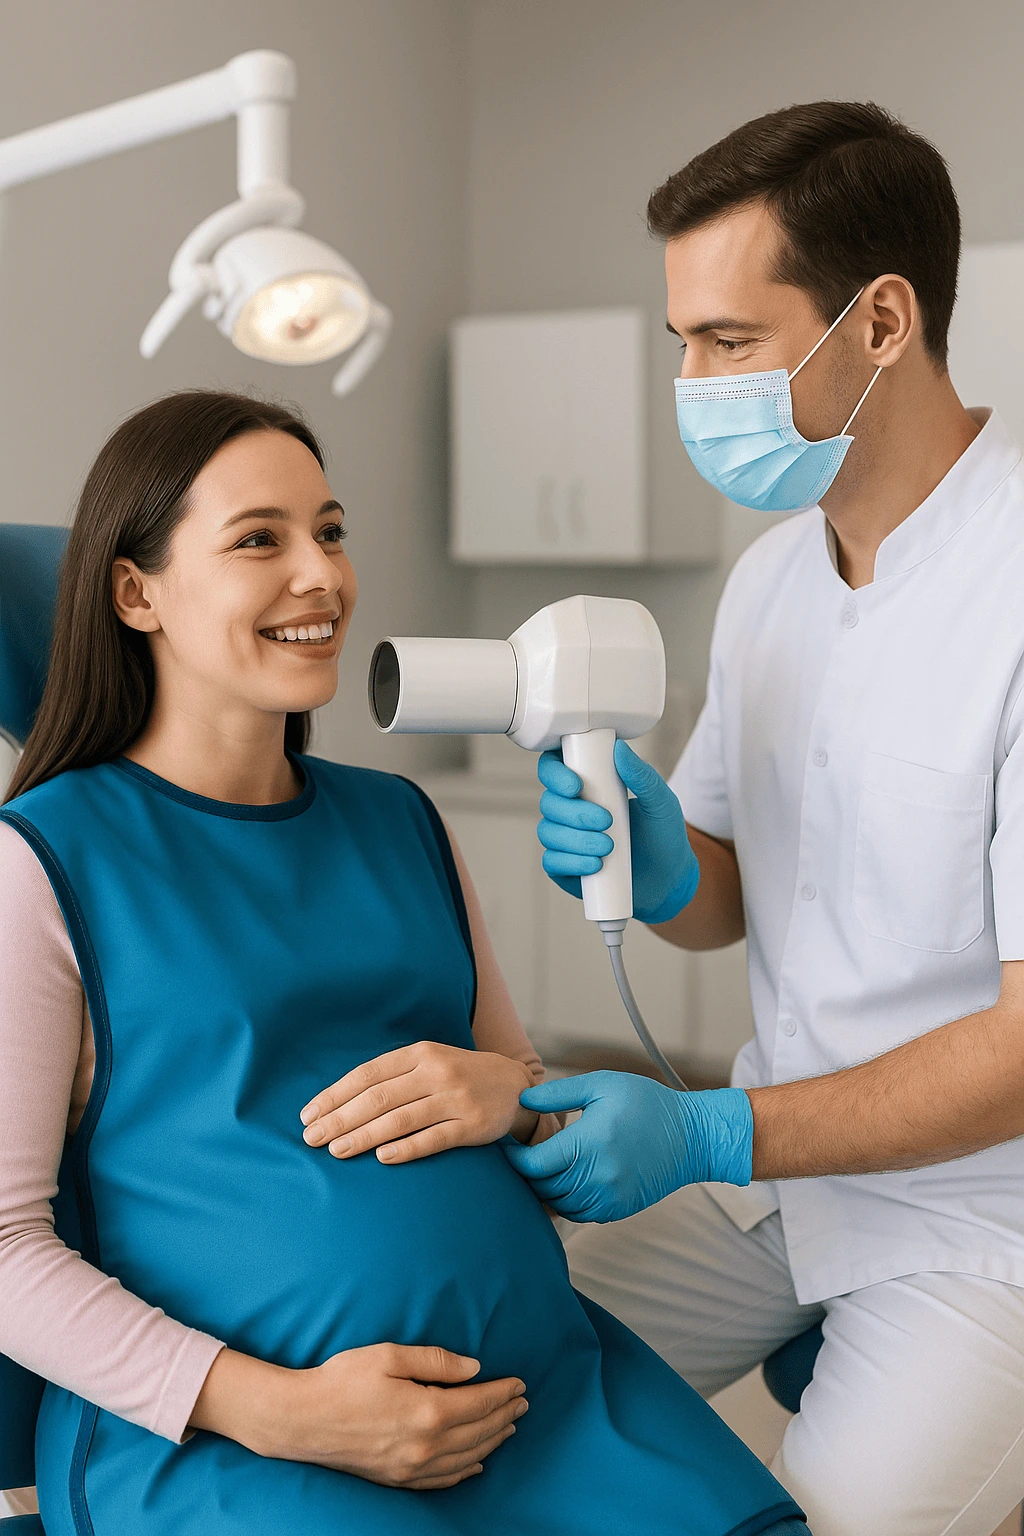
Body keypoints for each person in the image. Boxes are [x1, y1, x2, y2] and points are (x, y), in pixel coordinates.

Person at [0, 391, 804, 1535]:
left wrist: (515, 1098)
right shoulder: (46, 861)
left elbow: (525, 1095)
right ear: (137, 593)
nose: (319, 575)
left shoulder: (402, 821)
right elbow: (2, 1246)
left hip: (544, 1398)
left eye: (328, 531)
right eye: (258, 540)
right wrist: (281, 1411)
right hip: (248, 1451)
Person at [506, 102, 1024, 1536]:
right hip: (786, 1176)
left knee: (839, 1515)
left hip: (986, 1221)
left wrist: (710, 1134)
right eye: (682, 341)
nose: (692, 382)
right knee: (504, 1390)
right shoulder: (774, 580)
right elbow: (723, 900)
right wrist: (661, 853)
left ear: (881, 322)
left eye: (729, 340)